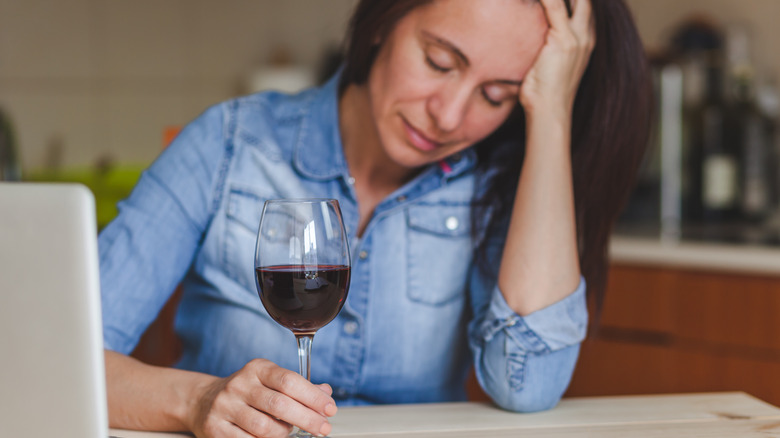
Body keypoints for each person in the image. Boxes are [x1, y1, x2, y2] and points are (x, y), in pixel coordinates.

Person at [99, 0, 652, 436]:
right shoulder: (228, 146)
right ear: (383, 21)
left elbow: (529, 384)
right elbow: (54, 359)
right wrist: (198, 401)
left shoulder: (499, 187)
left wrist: (552, 111)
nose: (449, 115)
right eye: (439, 61)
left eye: (496, 95)